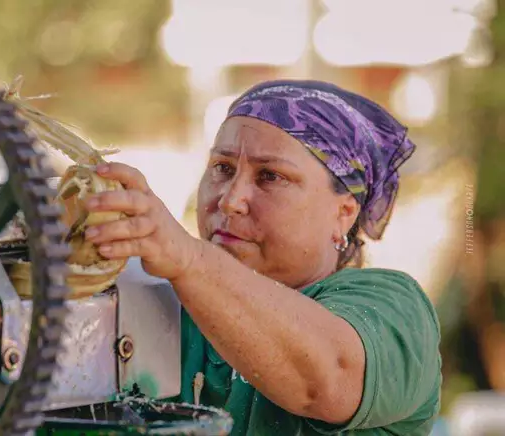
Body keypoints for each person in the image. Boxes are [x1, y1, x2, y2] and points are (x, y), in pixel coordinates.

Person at [81, 80, 442, 435]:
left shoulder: (393, 307)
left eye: (270, 176)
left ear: (343, 213)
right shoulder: (158, 296)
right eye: (222, 168)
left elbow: (328, 381)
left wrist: (190, 259)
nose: (229, 200)